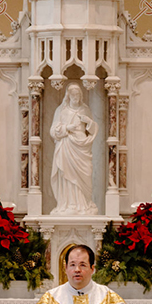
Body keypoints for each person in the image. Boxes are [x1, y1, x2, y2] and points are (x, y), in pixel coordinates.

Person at [50, 82, 98, 215]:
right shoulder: (61, 110)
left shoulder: (85, 109)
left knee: (85, 174)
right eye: (73, 94)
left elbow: (93, 129)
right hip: (66, 145)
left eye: (78, 94)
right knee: (67, 175)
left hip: (81, 147)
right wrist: (66, 128)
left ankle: (83, 204)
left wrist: (88, 122)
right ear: (68, 96)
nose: (75, 96)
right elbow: (53, 131)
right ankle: (68, 203)